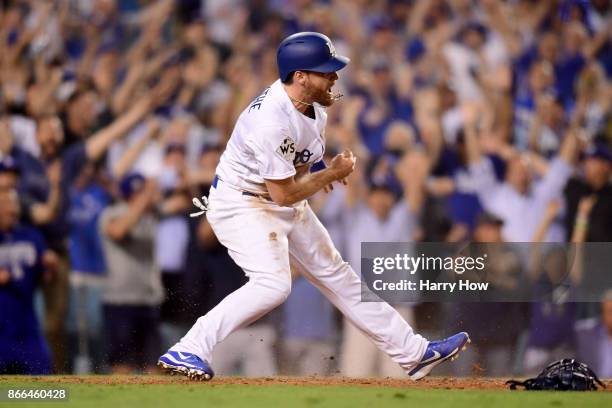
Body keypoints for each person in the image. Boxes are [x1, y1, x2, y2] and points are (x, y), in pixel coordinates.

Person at [158, 32, 470, 381]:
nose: (334, 77)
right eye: (325, 71)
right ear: (300, 76)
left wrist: (322, 175)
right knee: (273, 284)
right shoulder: (270, 121)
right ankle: (189, 347)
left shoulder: (315, 108)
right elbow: (283, 194)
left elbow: (300, 171)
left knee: (339, 274)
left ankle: (413, 353)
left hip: (274, 198)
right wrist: (331, 173)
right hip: (240, 204)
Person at [0, 189, 54, 374]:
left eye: (13, 204)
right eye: (5, 204)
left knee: (45, 392)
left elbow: (45, 277)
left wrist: (48, 266)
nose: (11, 210)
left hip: (26, 326)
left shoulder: (31, 236)